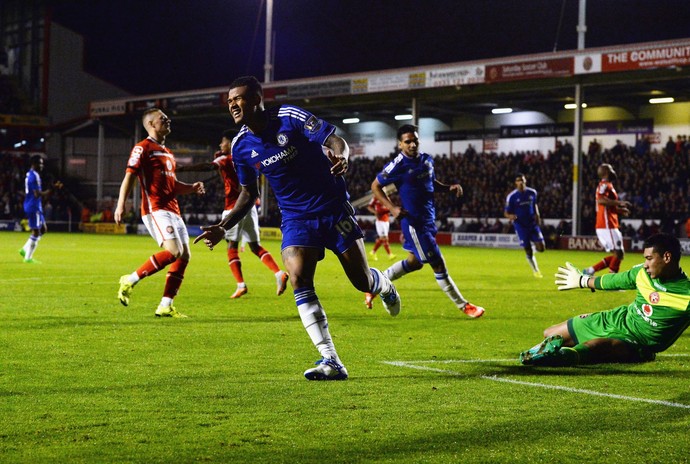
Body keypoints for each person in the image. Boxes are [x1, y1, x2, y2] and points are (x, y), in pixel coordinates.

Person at [194, 76, 400, 381]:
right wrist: (224, 226)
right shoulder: (240, 147)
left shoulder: (289, 118)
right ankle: (330, 359)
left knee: (361, 281)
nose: (232, 105)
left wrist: (342, 156)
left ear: (256, 99)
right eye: (229, 101)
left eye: (238, 98)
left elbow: (334, 139)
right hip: (295, 218)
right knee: (298, 278)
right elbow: (249, 193)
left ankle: (381, 283)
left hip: (332, 208)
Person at [364, 124, 485, 318]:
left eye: (415, 141)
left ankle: (374, 285)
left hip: (428, 219)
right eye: (407, 141)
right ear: (400, 144)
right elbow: (375, 186)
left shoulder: (427, 160)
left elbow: (430, 183)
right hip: (414, 224)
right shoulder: (398, 165)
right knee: (438, 264)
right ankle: (464, 306)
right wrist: (392, 208)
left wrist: (448, 188)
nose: (412, 145)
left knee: (414, 263)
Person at [520, 233, 690, 366]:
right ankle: (550, 354)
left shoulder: (686, 295)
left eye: (649, 259)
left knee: (593, 347)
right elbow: (613, 281)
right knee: (550, 333)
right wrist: (582, 280)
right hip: (616, 319)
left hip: (636, 342)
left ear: (667, 257)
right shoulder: (642, 274)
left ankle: (557, 358)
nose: (645, 264)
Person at [115, 108, 205, 318]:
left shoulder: (168, 153)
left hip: (173, 209)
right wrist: (121, 204)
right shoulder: (142, 148)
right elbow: (129, 177)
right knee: (173, 251)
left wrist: (191, 187)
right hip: (155, 209)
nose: (168, 120)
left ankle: (165, 305)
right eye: (162, 119)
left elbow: (172, 185)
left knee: (184, 256)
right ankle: (130, 280)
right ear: (151, 125)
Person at [177, 130, 289, 299]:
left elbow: (208, 166)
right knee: (254, 246)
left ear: (230, 143)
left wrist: (182, 168)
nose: (221, 145)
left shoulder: (225, 158)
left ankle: (241, 285)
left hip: (233, 208)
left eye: (223, 142)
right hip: (249, 206)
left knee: (232, 248)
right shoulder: (246, 157)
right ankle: (278, 273)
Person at [584, 163, 631, 275]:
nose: (613, 171)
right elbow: (600, 200)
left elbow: (607, 206)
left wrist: (619, 210)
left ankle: (590, 270)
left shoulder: (608, 185)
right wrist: (619, 202)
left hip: (609, 223)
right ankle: (611, 281)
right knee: (618, 253)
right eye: (611, 169)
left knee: (618, 254)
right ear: (606, 172)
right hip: (606, 224)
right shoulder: (605, 185)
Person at [19, 155, 61, 263]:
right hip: (33, 206)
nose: (42, 165)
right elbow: (37, 194)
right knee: (36, 232)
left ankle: (24, 249)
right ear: (34, 164)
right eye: (40, 163)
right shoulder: (35, 176)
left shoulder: (29, 174)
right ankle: (28, 258)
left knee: (43, 229)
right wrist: (51, 189)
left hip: (33, 205)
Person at [504, 173, 545, 278]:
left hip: (532, 224)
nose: (521, 182)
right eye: (518, 180)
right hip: (520, 226)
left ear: (525, 181)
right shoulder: (512, 197)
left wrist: (538, 214)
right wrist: (511, 216)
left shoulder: (532, 192)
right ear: (515, 183)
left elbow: (535, 204)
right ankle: (536, 270)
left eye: (522, 180)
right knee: (527, 249)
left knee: (541, 248)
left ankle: (532, 252)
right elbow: (506, 213)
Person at [367, 196, 395, 261]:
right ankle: (390, 255)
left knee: (384, 238)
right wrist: (375, 212)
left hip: (386, 220)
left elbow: (390, 207)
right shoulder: (375, 198)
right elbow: (369, 207)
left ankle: (373, 252)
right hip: (380, 221)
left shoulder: (387, 198)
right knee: (384, 238)